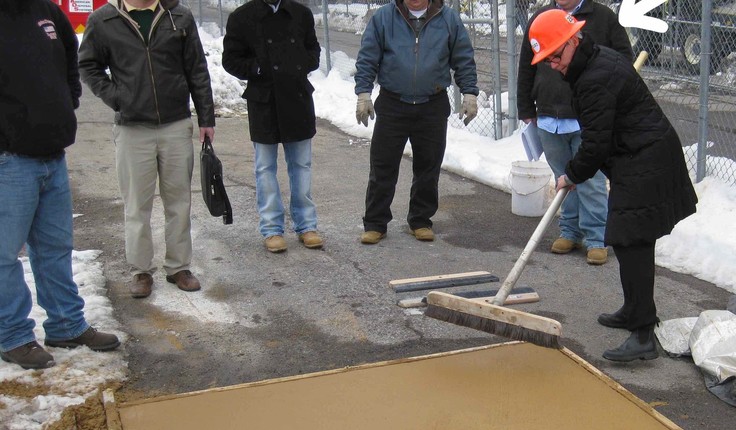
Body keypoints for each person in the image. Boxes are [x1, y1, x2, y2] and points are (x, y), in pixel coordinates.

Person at [528, 10, 697, 361]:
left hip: (646, 159)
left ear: (573, 40)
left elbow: (596, 145)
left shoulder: (594, 77)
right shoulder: (591, 63)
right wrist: (577, 171)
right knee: (629, 239)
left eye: (556, 55)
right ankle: (633, 311)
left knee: (630, 240)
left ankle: (643, 335)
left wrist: (571, 174)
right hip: (636, 157)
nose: (554, 65)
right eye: (547, 60)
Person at [0, 0, 120, 370]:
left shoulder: (48, 12)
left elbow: (71, 59)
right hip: (9, 158)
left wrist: (67, 101)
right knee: (4, 255)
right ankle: (13, 335)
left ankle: (66, 325)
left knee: (54, 247)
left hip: (53, 153)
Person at [79, 0, 216, 298]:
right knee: (136, 204)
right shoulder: (104, 20)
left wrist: (207, 117)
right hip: (132, 128)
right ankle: (141, 271)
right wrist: (118, 97)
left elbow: (196, 68)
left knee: (179, 200)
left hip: (175, 124)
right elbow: (88, 65)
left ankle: (179, 266)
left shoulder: (178, 15)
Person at [518, 0, 633, 266]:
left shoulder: (602, 17)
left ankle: (596, 237)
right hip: (548, 116)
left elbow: (622, 59)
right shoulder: (541, 17)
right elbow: (527, 64)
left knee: (589, 178)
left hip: (587, 115)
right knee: (563, 178)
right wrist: (526, 105)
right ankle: (569, 231)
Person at [355, 0, 478, 244]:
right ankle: (375, 223)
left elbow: (463, 57)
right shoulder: (384, 18)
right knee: (383, 166)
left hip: (432, 103)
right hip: (392, 103)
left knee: (428, 167)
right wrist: (363, 93)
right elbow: (368, 57)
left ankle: (420, 220)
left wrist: (470, 92)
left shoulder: (448, 19)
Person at [222, 0, 323, 253]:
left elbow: (314, 50)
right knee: (265, 167)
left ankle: (307, 226)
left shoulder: (301, 13)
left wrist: (300, 62)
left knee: (301, 165)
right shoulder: (242, 17)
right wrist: (256, 67)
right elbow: (230, 60)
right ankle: (271, 229)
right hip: (264, 100)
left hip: (298, 97)